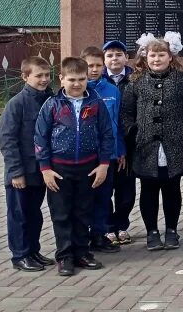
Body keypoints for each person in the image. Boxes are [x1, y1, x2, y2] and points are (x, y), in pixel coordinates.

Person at [35, 57, 113, 276]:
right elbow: (40, 138)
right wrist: (45, 168)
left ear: (87, 78)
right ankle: (65, 256)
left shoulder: (95, 104)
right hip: (59, 169)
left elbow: (107, 134)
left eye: (81, 79)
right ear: (61, 79)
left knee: (83, 212)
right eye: (71, 79)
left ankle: (82, 252)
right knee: (61, 214)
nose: (77, 84)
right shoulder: (51, 105)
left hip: (88, 167)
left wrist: (104, 164)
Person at [120, 32, 183, 252]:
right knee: (149, 189)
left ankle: (171, 230)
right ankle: (152, 231)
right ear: (146, 57)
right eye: (153, 55)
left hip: (173, 144)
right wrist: (134, 132)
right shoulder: (135, 82)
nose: (156, 59)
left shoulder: (181, 79)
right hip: (145, 146)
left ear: (170, 56)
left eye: (161, 55)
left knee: (172, 188)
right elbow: (126, 113)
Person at [0, 56, 54, 272]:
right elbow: (7, 140)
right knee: (19, 215)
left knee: (34, 214)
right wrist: (16, 172)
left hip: (40, 171)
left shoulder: (50, 100)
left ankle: (33, 251)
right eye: (38, 76)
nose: (43, 80)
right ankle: (20, 255)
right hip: (21, 173)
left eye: (47, 75)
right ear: (25, 76)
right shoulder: (16, 104)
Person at [81, 46, 123, 254]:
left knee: (104, 196)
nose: (94, 70)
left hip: (109, 154)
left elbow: (118, 122)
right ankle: (83, 236)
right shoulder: (79, 90)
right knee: (86, 197)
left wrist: (120, 150)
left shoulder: (112, 90)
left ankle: (100, 234)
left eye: (98, 65)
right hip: (86, 155)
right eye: (90, 66)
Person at [102, 40, 137, 246]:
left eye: (118, 54)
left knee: (126, 191)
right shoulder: (96, 81)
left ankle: (121, 225)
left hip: (128, 145)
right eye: (109, 55)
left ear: (126, 57)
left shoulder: (134, 79)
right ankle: (108, 228)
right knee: (106, 189)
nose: (114, 58)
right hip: (106, 146)